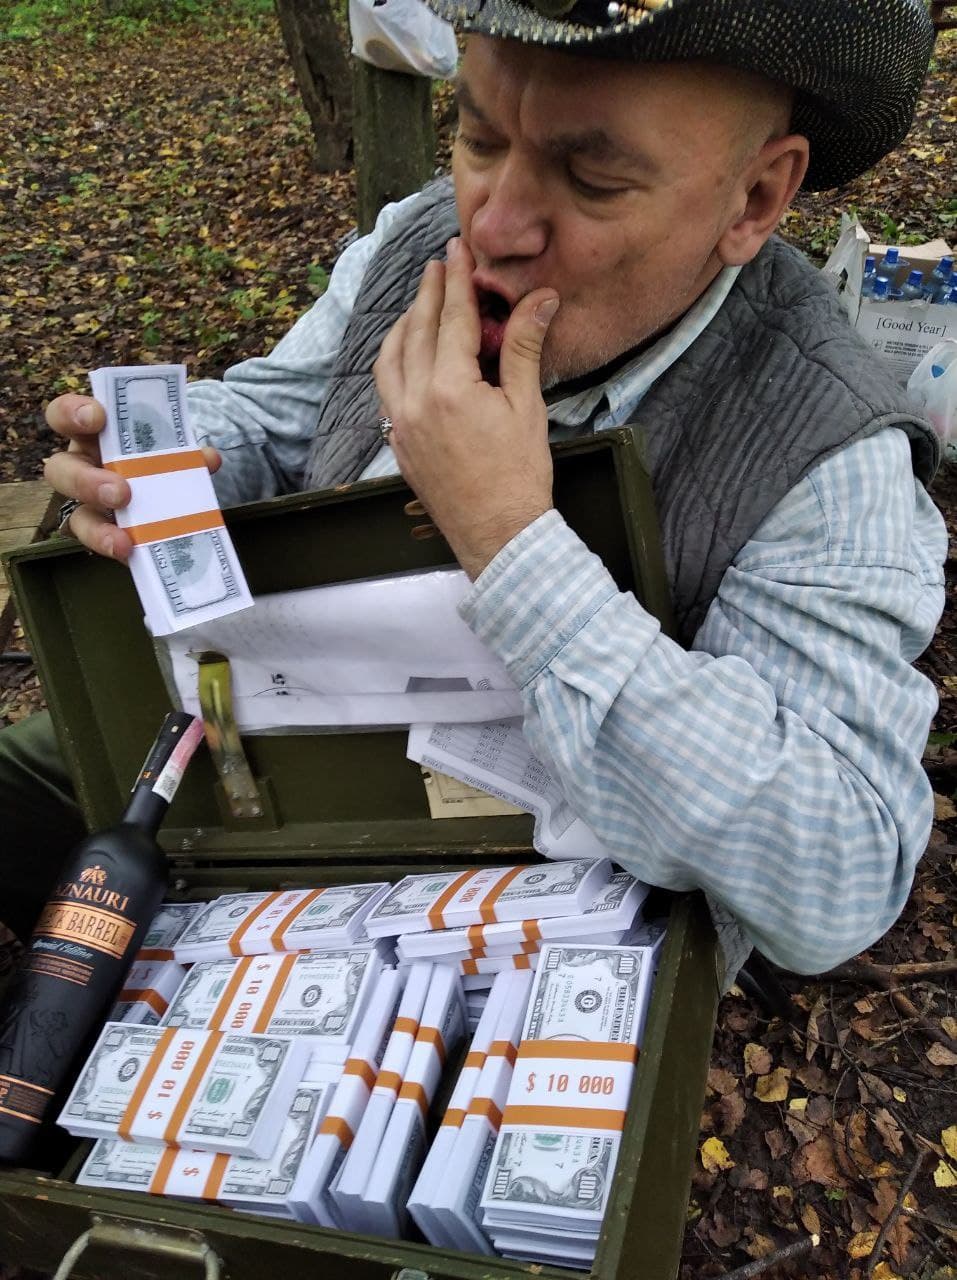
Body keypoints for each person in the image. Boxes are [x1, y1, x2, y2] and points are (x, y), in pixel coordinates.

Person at [5, 0, 946, 984]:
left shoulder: (825, 454)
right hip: (277, 747)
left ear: (754, 198)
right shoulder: (416, 240)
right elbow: (279, 415)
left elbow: (838, 877)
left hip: (529, 904)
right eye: (480, 137)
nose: (490, 224)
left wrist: (510, 542)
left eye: (591, 179)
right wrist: (166, 458)